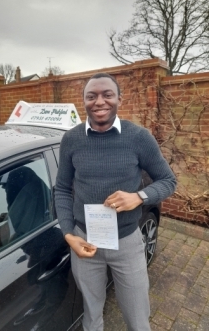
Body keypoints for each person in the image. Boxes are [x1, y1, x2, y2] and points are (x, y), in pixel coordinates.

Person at [55, 73, 176, 331]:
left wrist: (139, 197)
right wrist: (68, 234)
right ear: (84, 101)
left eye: (107, 94)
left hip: (127, 242)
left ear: (119, 99)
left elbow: (168, 180)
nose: (99, 101)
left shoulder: (138, 137)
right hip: (85, 242)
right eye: (92, 96)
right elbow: (63, 189)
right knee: (91, 314)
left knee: (137, 317)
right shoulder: (72, 140)